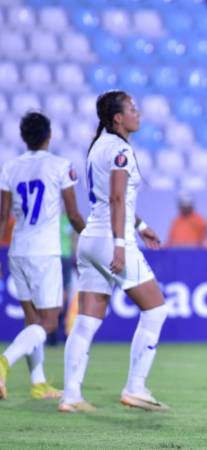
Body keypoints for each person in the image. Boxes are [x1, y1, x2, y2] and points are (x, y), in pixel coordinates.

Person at [59, 90, 169, 413]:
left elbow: (111, 199)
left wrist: (141, 225)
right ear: (118, 118)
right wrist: (121, 243)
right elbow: (118, 199)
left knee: (86, 321)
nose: (138, 113)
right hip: (111, 240)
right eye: (132, 108)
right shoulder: (120, 150)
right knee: (156, 310)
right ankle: (135, 387)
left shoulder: (98, 147)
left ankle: (71, 396)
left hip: (90, 240)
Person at [0, 112, 85, 400]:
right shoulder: (60, 166)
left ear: (24, 137)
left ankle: (38, 384)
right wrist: (91, 238)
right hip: (45, 252)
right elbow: (72, 214)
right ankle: (3, 363)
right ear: (50, 135)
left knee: (31, 320)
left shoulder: (10, 168)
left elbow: (2, 217)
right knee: (49, 322)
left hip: (17, 249)